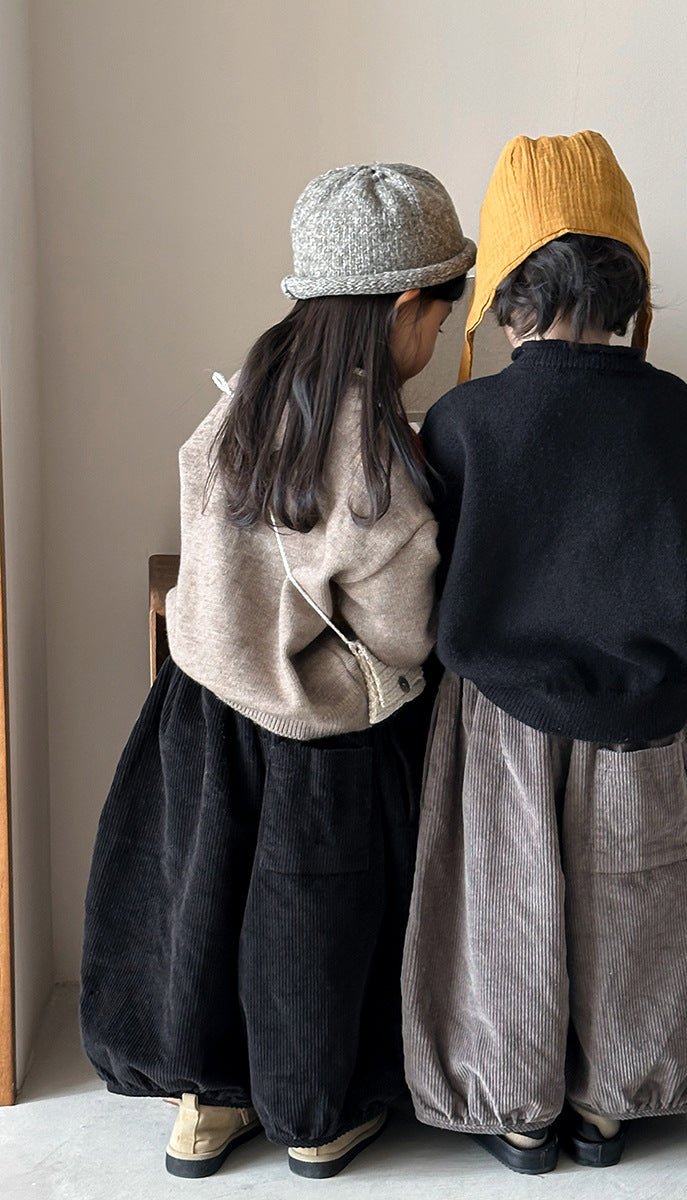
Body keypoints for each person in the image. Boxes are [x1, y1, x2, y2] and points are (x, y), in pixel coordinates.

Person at [80, 162, 475, 1180]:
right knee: (309, 926)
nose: (438, 340)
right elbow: (402, 635)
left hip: (198, 708)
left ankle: (205, 1106)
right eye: (442, 315)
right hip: (317, 737)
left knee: (202, 908)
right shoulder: (379, 463)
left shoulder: (241, 402)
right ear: (405, 306)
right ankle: (314, 1117)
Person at [401, 131, 687, 1175]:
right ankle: (611, 1106)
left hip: (499, 713)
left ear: (506, 292)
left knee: (503, 907)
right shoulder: (678, 413)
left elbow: (429, 564)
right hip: (641, 712)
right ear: (631, 278)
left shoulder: (464, 421)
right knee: (635, 898)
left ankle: (516, 1111)